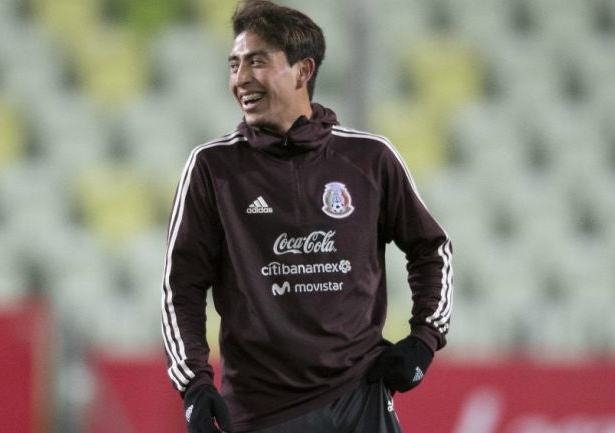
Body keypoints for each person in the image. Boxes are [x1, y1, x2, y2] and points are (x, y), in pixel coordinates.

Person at [161, 1, 453, 432]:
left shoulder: (370, 158)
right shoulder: (212, 168)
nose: (240, 78)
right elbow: (180, 286)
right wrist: (195, 384)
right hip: (263, 412)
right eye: (234, 64)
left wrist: (424, 340)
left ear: (303, 71)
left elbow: (432, 249)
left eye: (257, 62)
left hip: (361, 399)